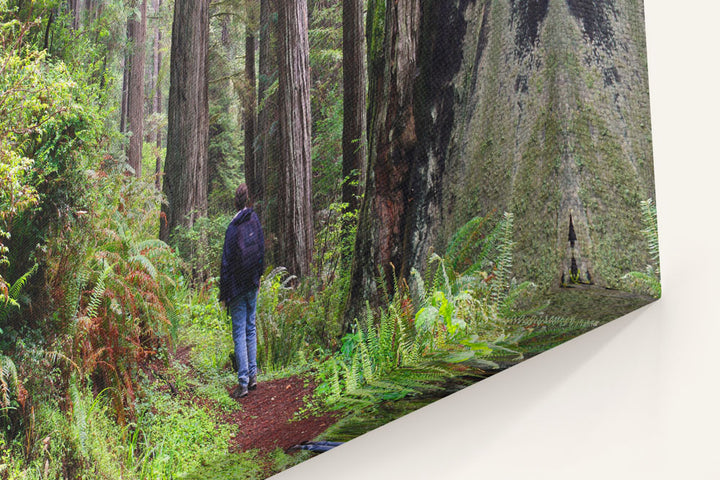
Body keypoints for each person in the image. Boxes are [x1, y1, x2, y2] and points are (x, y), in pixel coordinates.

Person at [219, 184, 265, 399]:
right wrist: (258, 277)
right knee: (250, 328)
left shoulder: (232, 228)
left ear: (234, 201)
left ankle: (243, 383)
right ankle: (253, 376)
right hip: (252, 285)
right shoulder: (254, 221)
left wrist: (224, 294)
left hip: (237, 287)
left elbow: (226, 263)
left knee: (239, 331)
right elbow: (261, 250)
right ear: (248, 200)